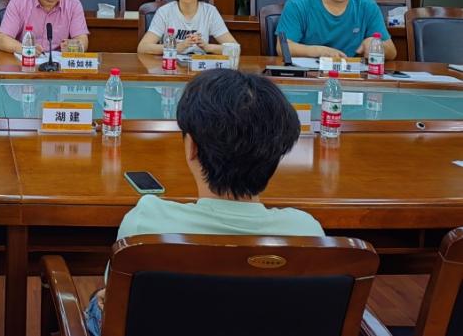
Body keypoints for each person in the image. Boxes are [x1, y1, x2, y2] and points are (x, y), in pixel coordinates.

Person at [84, 70, 323, 335]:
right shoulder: (308, 233)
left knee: (101, 302)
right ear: (278, 152)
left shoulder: (147, 223)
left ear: (192, 147)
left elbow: (119, 302)